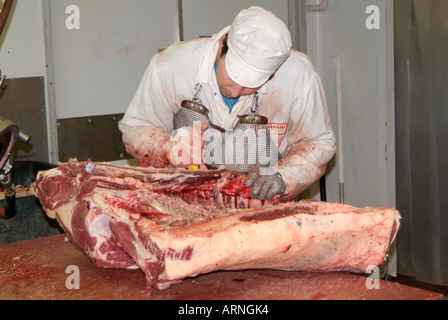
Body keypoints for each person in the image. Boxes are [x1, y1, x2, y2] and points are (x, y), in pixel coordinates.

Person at [119, 6, 336, 201]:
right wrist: (168, 148)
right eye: (233, 77)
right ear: (223, 44)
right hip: (185, 204)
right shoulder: (171, 66)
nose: (236, 91)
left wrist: (284, 176)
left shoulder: (299, 76)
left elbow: (318, 143)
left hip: (259, 208)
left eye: (251, 85)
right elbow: (135, 129)